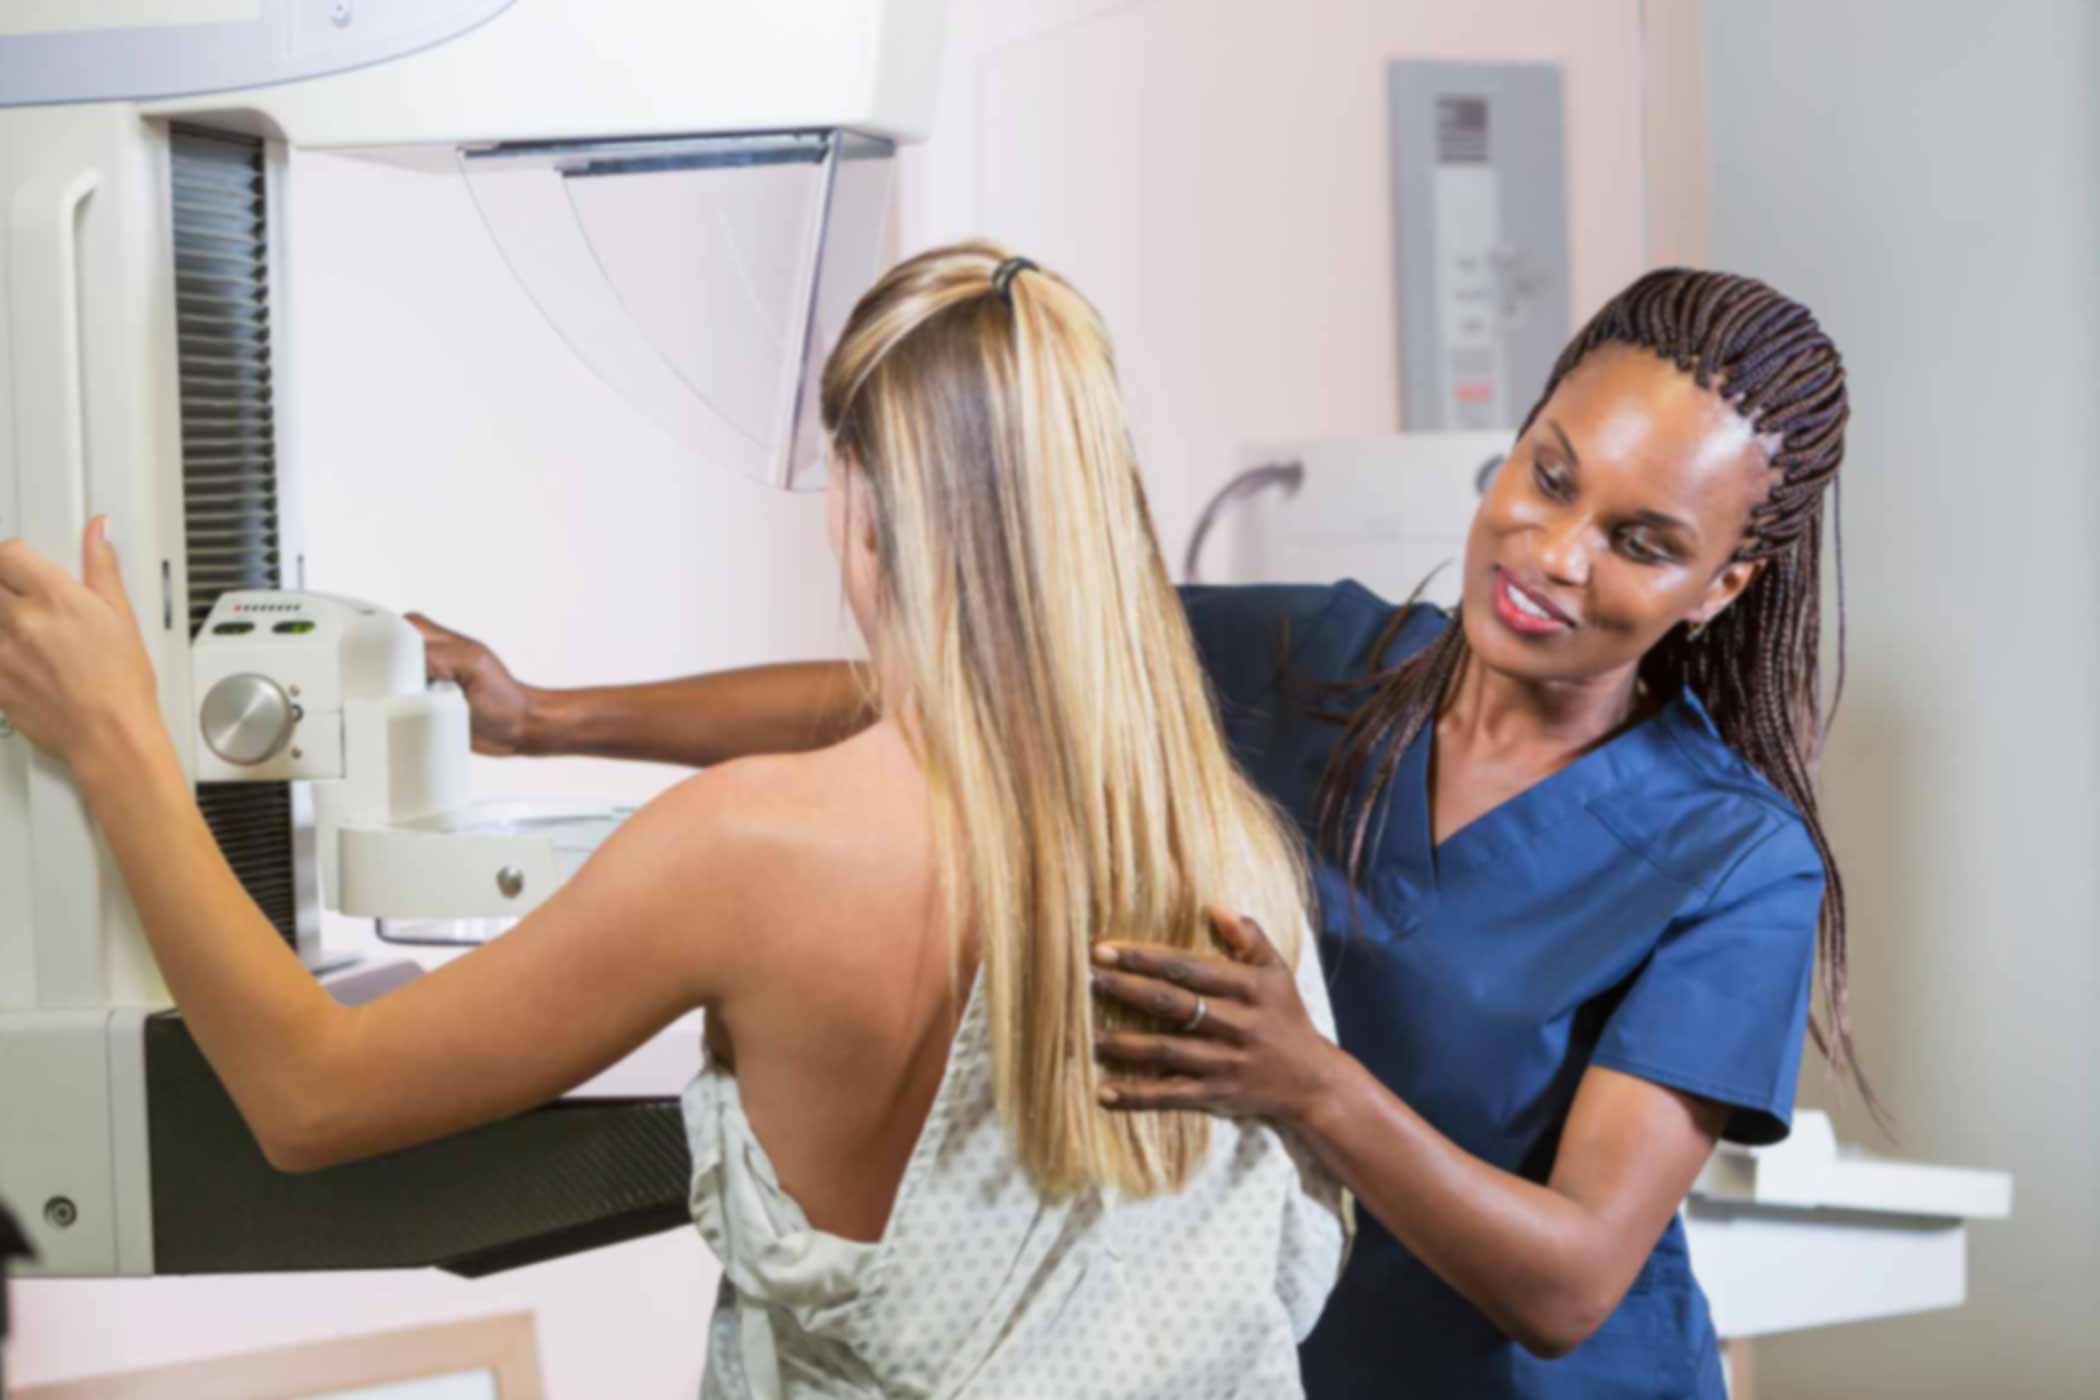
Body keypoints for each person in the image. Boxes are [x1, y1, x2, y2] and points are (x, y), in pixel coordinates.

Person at [410, 268, 1859, 1397]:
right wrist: (541, 714)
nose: (1555, 554)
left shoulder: (1731, 858)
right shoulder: (1313, 658)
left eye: (1641, 541)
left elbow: (1570, 1284)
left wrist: (1310, 1085)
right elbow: (936, 691)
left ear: (1721, 586)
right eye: (1550, 476)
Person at [0, 243, 1347, 1398]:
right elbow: (926, 710)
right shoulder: (1231, 856)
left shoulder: (750, 854)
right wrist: (543, 715)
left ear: (862, 506)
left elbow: (309, 1098)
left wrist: (116, 742)